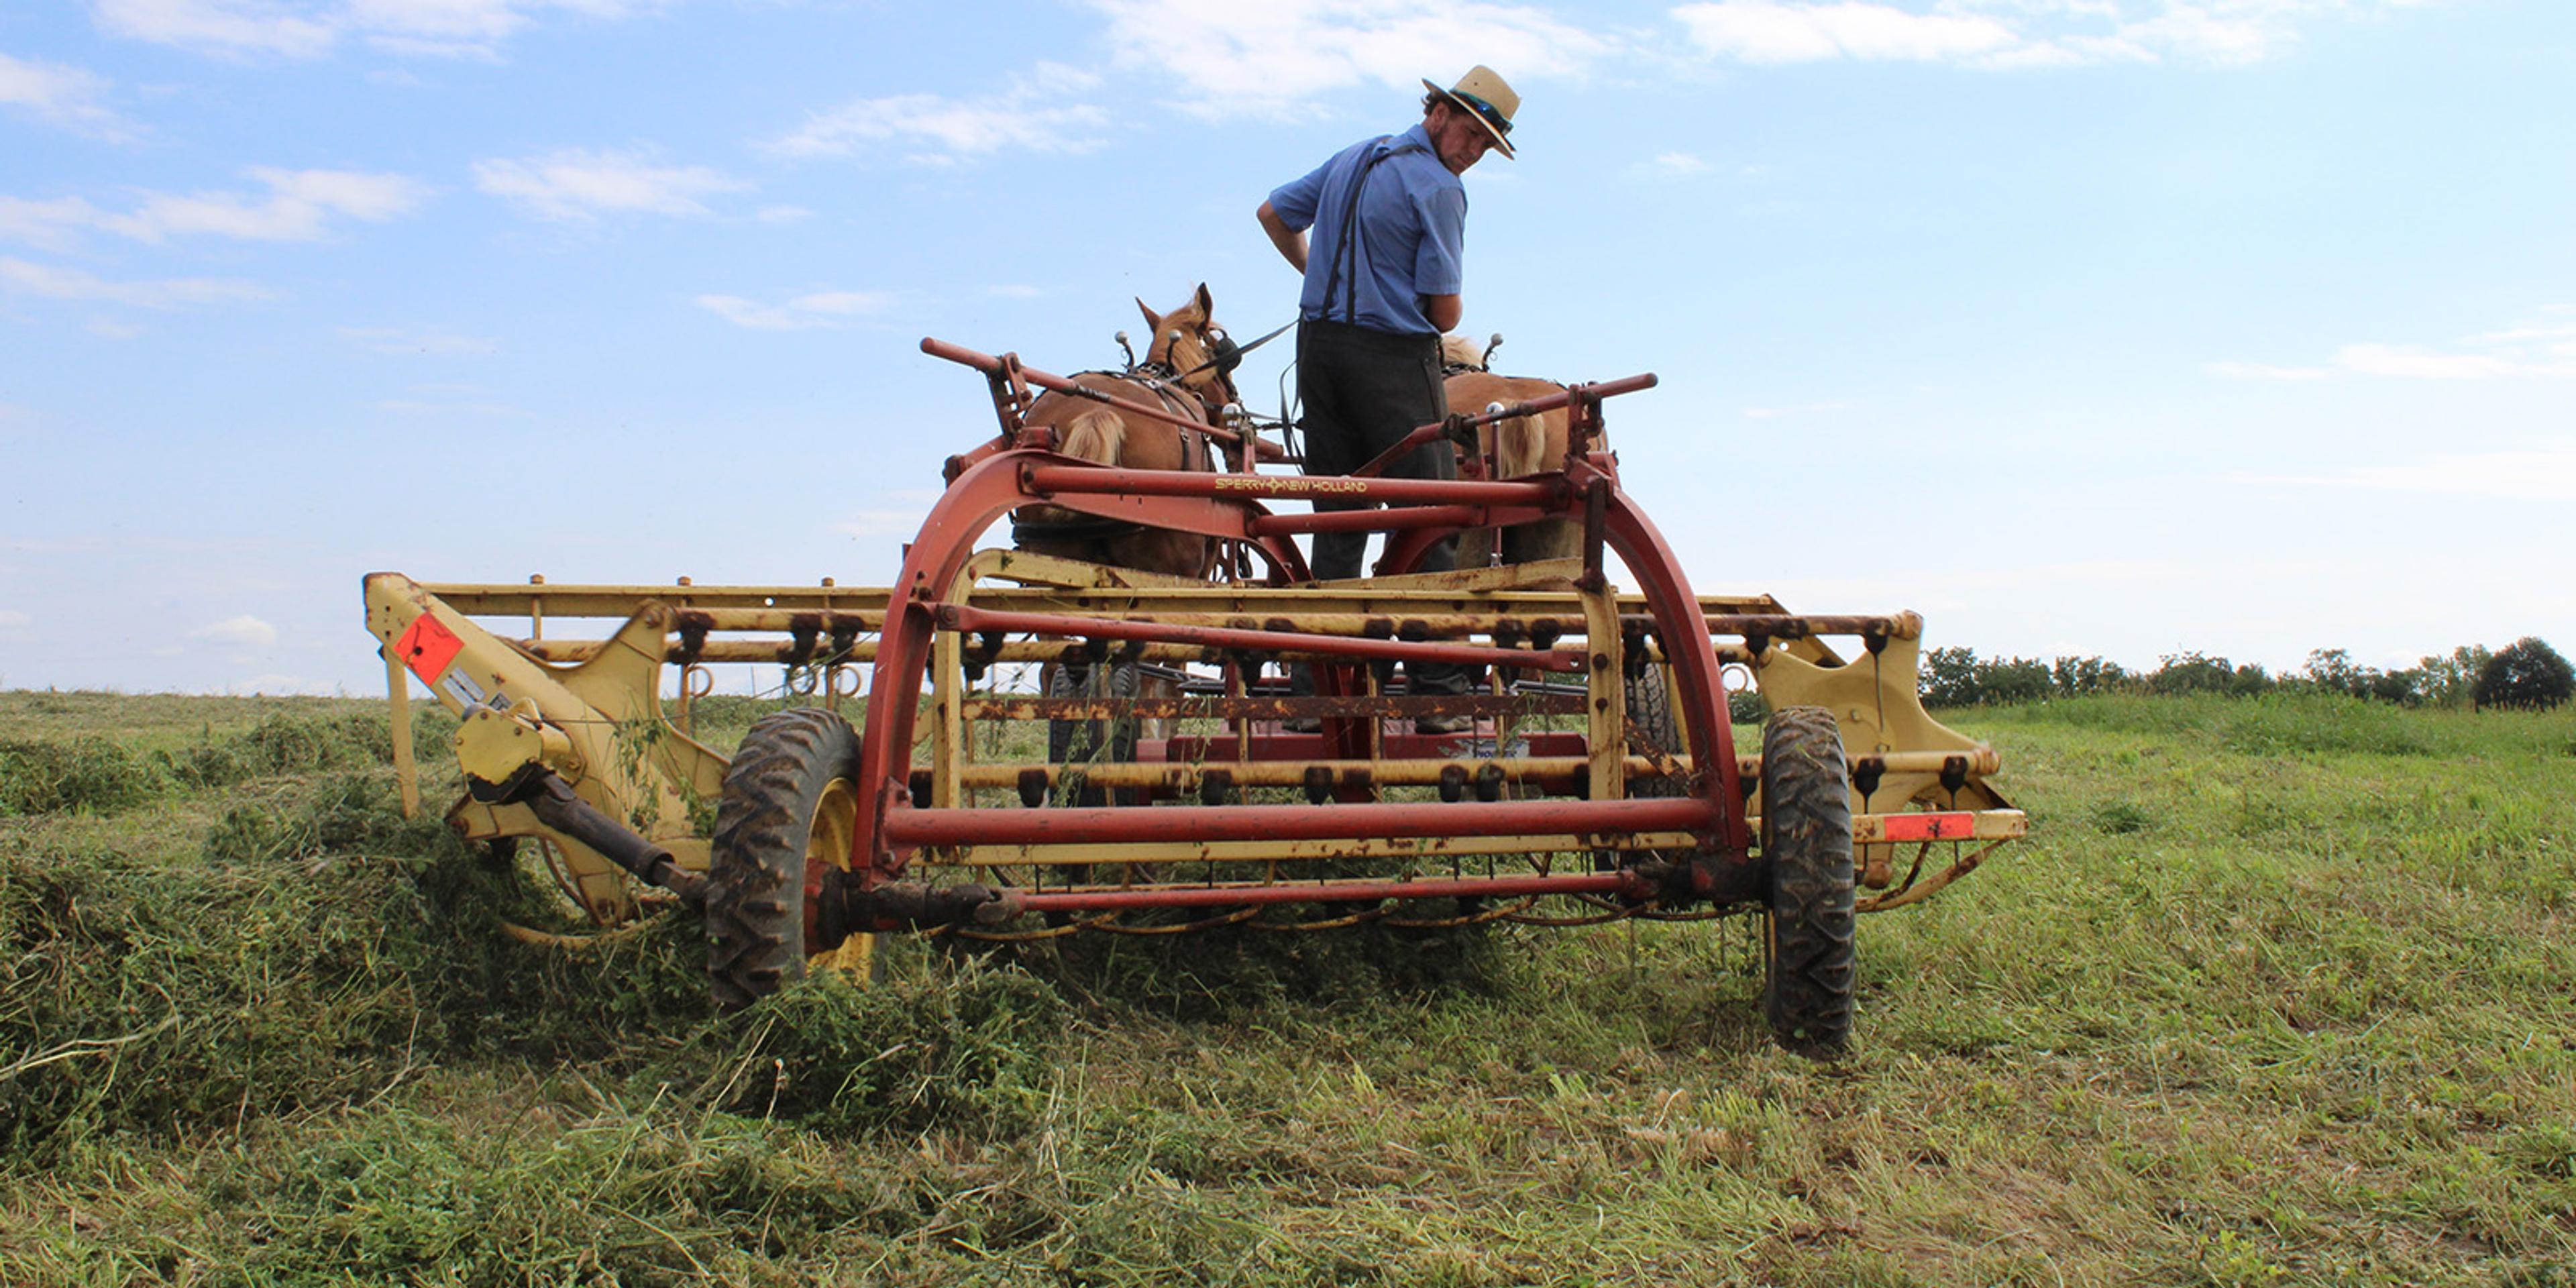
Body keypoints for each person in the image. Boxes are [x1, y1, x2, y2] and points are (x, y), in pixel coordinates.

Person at [1255, 67, 1519, 733]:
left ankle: (1320, 692)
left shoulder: (1355, 156)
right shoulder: (1438, 188)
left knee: (1338, 520)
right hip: (1391, 362)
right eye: (1473, 134)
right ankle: (1437, 689)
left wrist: (1316, 270)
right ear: (1439, 112)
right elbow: (1445, 311)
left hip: (1317, 353)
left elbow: (1273, 214)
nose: (1474, 152)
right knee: (1429, 513)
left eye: (1487, 145)